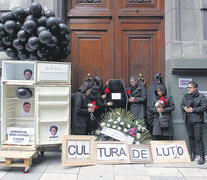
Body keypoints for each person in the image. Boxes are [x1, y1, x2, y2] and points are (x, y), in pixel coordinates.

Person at [181, 81, 207, 165]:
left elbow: (204, 107)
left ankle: (202, 156)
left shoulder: (201, 96)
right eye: (188, 87)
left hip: (197, 120)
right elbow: (182, 104)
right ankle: (192, 153)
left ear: (195, 88)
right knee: (191, 136)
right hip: (188, 119)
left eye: (190, 87)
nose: (188, 88)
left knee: (198, 137)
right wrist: (184, 108)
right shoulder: (186, 96)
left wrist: (193, 110)